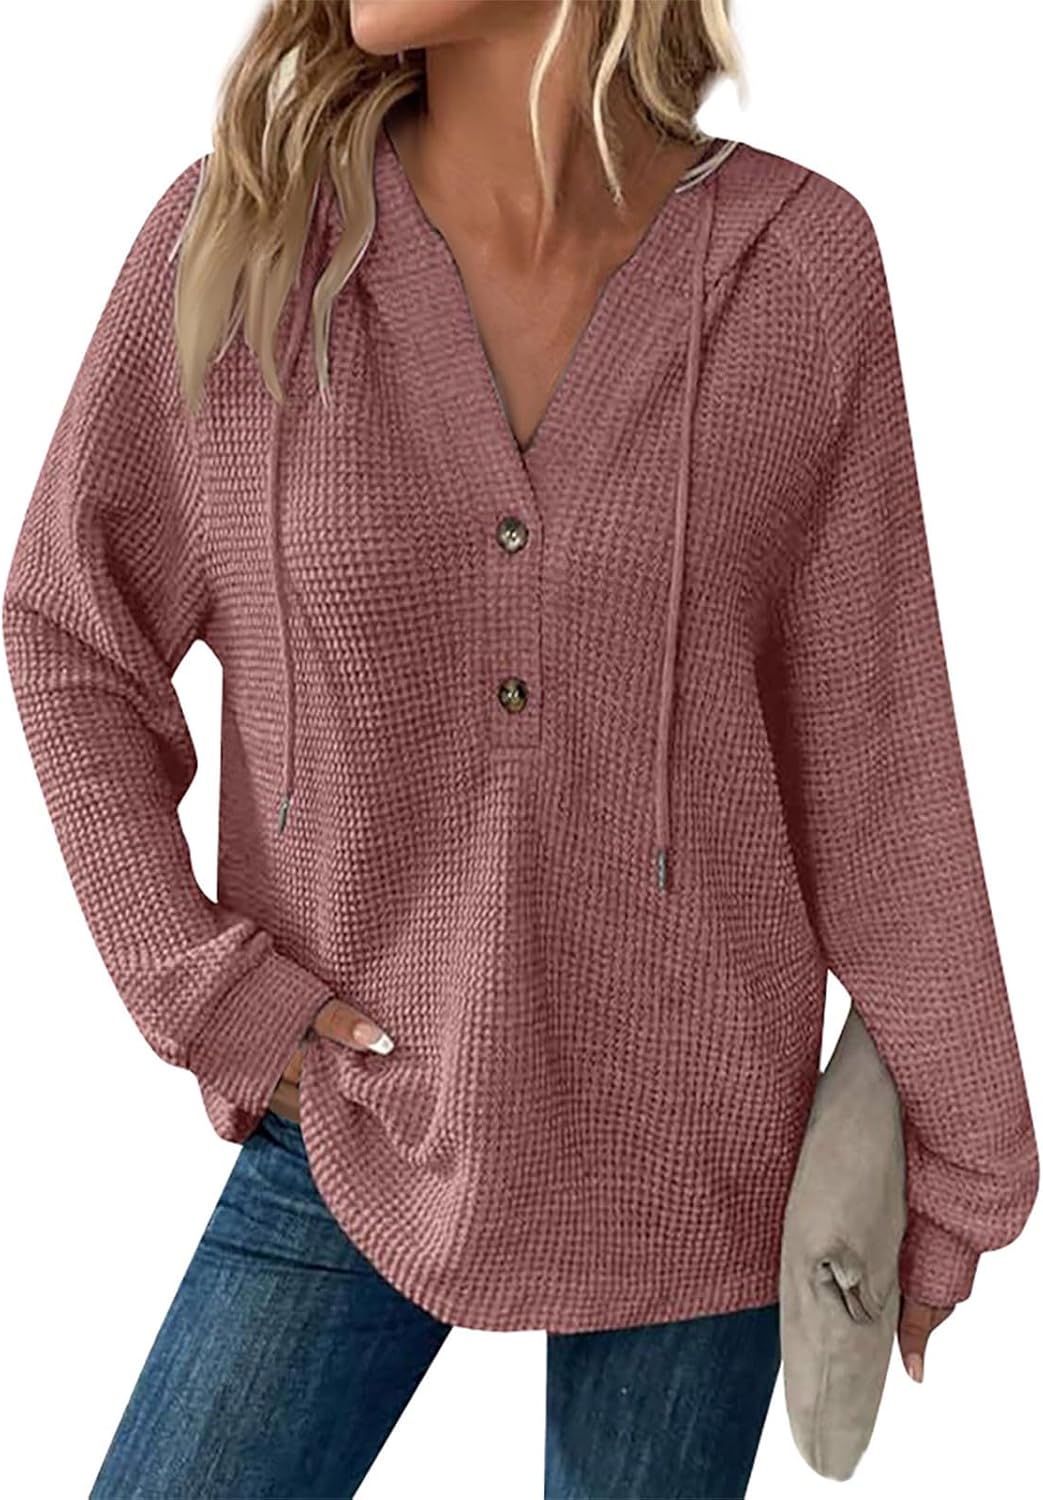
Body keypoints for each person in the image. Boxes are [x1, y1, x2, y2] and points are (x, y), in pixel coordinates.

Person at [3, 2, 1038, 1496]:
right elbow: (69, 631)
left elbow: (874, 756)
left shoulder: (793, 271)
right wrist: (207, 990)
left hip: (697, 1158)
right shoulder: (250, 245)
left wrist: (969, 1155)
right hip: (357, 1107)